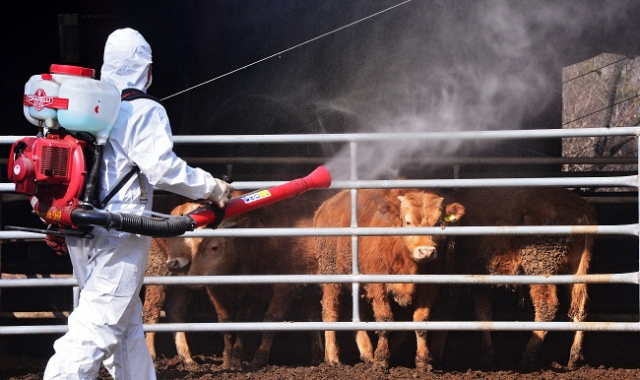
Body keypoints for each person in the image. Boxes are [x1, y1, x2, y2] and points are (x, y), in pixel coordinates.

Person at [43, 27, 232, 380]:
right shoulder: (142, 110)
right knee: (96, 325)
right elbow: (162, 170)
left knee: (126, 325)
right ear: (144, 68)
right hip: (121, 230)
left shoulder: (88, 107)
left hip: (82, 227)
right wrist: (212, 188)